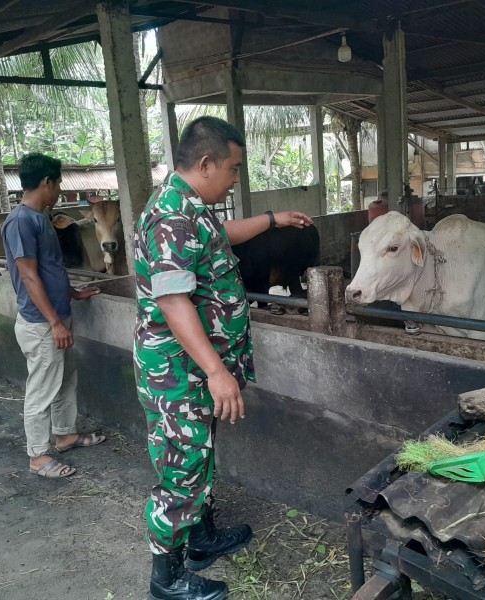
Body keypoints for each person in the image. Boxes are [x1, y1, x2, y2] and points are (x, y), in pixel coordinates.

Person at [134, 116, 313, 600]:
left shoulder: (189, 208)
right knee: (182, 468)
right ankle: (166, 580)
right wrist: (216, 371)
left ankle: (201, 539)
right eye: (233, 169)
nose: (235, 178)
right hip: (180, 372)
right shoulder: (172, 216)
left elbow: (220, 235)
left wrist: (274, 220)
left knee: (198, 454)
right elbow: (173, 301)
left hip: (194, 371)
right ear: (206, 163)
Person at [1, 153, 106, 479]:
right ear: (46, 182)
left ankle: (64, 435)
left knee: (64, 379)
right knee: (42, 388)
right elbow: (29, 275)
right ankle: (37, 456)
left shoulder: (41, 218)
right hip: (41, 323)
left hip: (55, 317)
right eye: (59, 183)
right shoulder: (21, 221)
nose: (60, 190)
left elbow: (49, 270)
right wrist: (55, 322)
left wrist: (72, 293)